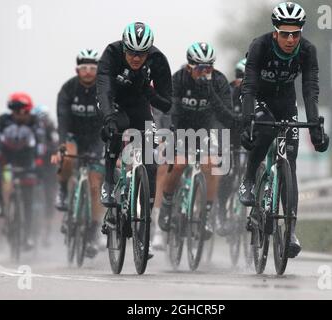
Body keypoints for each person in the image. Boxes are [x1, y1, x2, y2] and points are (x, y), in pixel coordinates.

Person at [239, 2, 330, 258]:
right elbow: (248, 88)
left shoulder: (307, 51)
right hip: (258, 98)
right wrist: (248, 123)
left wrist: (315, 127)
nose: (291, 39)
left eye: (296, 34)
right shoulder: (260, 46)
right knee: (266, 133)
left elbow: (310, 90)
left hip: (286, 103)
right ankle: (248, 180)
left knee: (290, 161)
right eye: (285, 33)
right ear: (275, 31)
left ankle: (290, 232)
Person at [97, 22, 172, 258]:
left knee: (151, 163)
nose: (136, 58)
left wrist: (149, 92)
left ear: (149, 50)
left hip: (140, 104)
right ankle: (109, 183)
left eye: (142, 53)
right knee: (116, 129)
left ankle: (144, 228)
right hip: (114, 102)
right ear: (124, 47)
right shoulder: (111, 53)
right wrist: (108, 117)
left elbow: (166, 103)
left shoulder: (158, 60)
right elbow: (103, 88)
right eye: (131, 52)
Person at [156, 42, 240, 246]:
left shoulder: (218, 81)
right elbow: (168, 110)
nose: (204, 72)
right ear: (189, 67)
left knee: (212, 164)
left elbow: (226, 116)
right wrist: (168, 135)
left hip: (207, 129)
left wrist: (210, 93)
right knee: (178, 164)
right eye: (200, 68)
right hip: (182, 127)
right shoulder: (178, 79)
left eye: (208, 68)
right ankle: (166, 206)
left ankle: (206, 214)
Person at [51, 49, 106, 257]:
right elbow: (62, 119)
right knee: (66, 158)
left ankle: (92, 232)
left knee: (94, 184)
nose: (89, 72)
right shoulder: (68, 89)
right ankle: (63, 190)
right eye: (84, 68)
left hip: (96, 139)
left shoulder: (103, 89)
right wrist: (62, 143)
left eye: (93, 68)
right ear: (77, 70)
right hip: (73, 135)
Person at [0, 92, 46, 250]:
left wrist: (40, 160)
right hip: (7, 159)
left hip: (27, 161)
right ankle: (2, 205)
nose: (20, 115)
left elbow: (41, 142)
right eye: (16, 112)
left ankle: (27, 234)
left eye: (24, 112)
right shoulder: (2, 121)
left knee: (27, 198)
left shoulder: (35, 121)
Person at [215, 58, 247, 237]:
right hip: (230, 137)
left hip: (249, 137)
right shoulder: (228, 92)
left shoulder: (258, 93)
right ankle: (221, 210)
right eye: (241, 77)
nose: (244, 81)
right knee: (227, 172)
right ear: (235, 79)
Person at [32, 105, 59, 247]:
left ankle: (47, 232)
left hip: (48, 168)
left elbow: (56, 146)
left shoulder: (52, 131)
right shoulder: (31, 130)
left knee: (50, 197)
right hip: (33, 167)